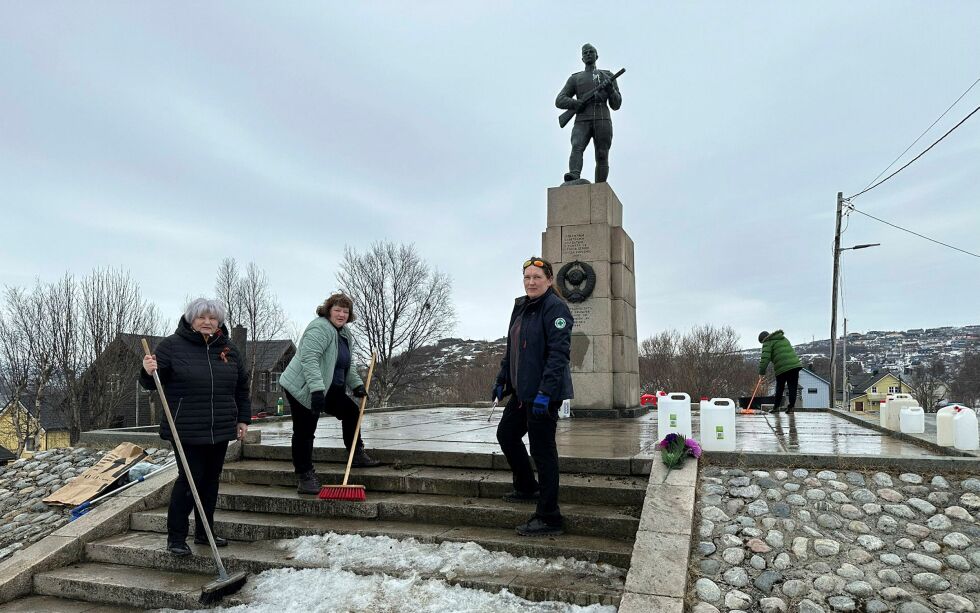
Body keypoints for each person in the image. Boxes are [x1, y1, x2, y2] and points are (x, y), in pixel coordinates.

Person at [141, 298, 250, 557]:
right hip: (185, 428)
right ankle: (176, 537)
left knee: (210, 482)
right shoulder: (171, 346)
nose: (207, 322)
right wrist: (147, 371)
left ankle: (205, 532)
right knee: (190, 481)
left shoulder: (228, 348)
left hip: (220, 426)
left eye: (213, 318)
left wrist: (243, 419)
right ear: (191, 319)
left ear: (219, 321)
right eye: (202, 317)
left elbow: (241, 387)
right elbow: (152, 383)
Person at [494, 257, 574, 537]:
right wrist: (502, 380)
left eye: (537, 277)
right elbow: (511, 350)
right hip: (521, 393)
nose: (531, 282)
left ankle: (549, 516)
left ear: (549, 280)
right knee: (506, 434)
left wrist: (545, 394)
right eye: (527, 277)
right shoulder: (521, 307)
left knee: (543, 452)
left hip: (542, 396)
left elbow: (558, 356)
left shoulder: (556, 308)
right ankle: (527, 486)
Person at [279, 293, 377, 495]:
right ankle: (304, 476)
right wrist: (316, 390)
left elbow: (346, 365)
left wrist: (357, 384)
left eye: (345, 311)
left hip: (328, 387)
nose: (341, 314)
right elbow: (309, 359)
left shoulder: (344, 334)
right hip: (303, 387)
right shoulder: (320, 328)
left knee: (351, 412)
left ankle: (356, 454)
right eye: (337, 310)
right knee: (305, 430)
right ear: (328, 310)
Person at [555, 43, 622, 183]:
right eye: (585, 53)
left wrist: (610, 89)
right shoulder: (575, 78)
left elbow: (616, 104)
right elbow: (559, 100)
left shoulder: (608, 75)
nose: (588, 54)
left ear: (597, 55)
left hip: (602, 118)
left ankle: (600, 186)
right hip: (582, 119)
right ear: (582, 58)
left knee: (602, 153)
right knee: (576, 146)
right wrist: (575, 103)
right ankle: (574, 174)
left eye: (591, 51)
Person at [758, 330, 803, 414]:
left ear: (763, 339)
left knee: (780, 388)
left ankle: (776, 407)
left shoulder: (767, 342)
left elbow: (765, 359)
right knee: (792, 387)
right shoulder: (783, 338)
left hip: (782, 368)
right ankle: (791, 408)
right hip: (794, 366)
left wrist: (761, 373)